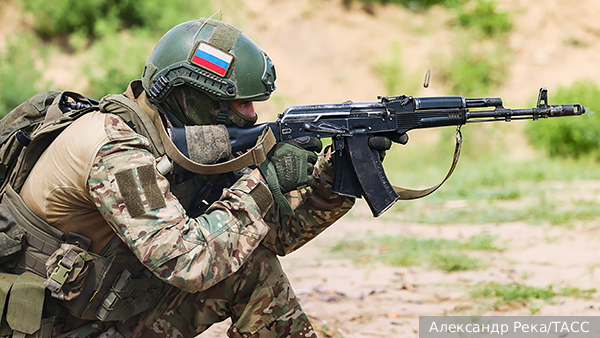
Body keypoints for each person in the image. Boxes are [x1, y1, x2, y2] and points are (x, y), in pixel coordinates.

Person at [0, 18, 362, 338]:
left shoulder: (183, 143)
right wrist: (263, 183)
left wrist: (333, 176)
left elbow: (273, 235)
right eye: (239, 104)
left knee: (252, 268)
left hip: (108, 314)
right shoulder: (115, 154)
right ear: (190, 96)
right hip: (61, 327)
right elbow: (188, 261)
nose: (252, 116)